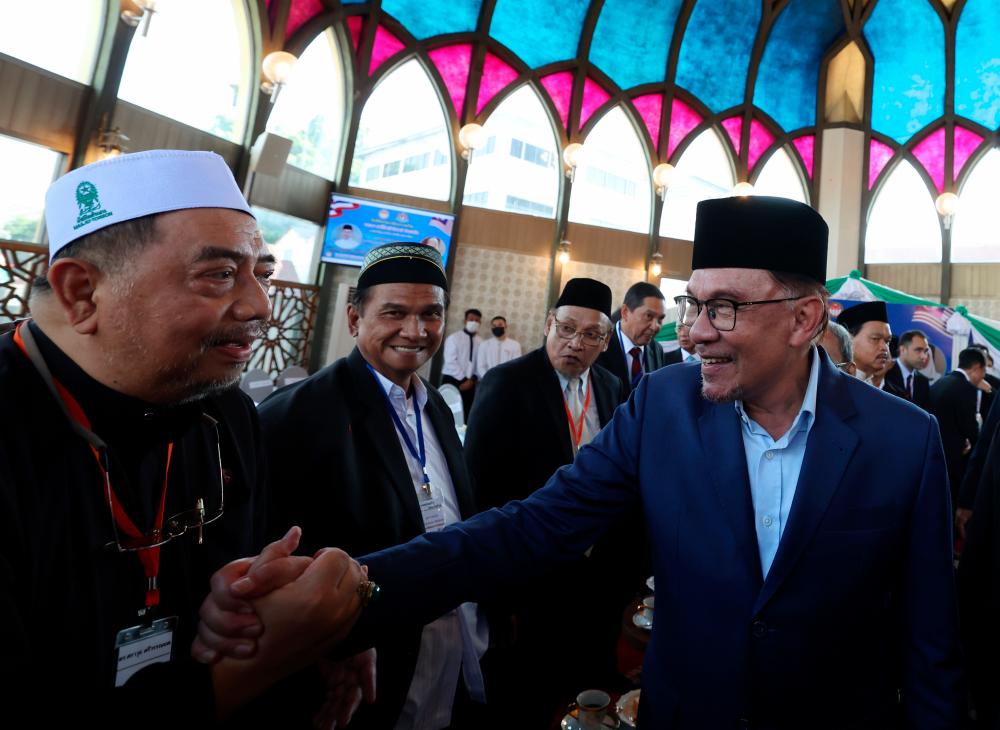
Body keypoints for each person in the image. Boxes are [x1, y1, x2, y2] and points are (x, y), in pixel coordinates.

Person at [205, 196, 964, 728]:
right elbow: (531, 527)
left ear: (804, 319)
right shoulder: (665, 407)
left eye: (724, 308)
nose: (694, 332)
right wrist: (360, 586)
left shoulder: (902, 440)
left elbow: (930, 641)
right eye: (692, 304)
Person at [0, 150, 364, 724]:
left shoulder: (228, 414)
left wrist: (257, 603)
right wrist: (253, 668)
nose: (260, 305)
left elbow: (251, 571)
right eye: (219, 274)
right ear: (81, 293)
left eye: (260, 274)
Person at [255, 243, 487, 729]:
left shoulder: (436, 407)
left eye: (431, 315)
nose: (416, 331)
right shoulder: (296, 417)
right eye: (395, 313)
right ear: (355, 318)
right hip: (363, 672)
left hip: (448, 650)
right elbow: (276, 559)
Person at [929, 347, 988, 505]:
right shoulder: (966, 388)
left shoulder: (940, 382)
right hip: (953, 460)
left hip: (932, 454)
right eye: (984, 371)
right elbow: (969, 428)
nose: (983, 377)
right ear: (976, 368)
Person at [597, 281, 668, 390]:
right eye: (649, 316)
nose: (655, 326)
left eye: (660, 319)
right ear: (625, 312)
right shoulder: (600, 345)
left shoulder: (657, 350)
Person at [836, 300, 907, 397]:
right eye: (875, 339)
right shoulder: (833, 387)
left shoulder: (892, 395)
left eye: (887, 341)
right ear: (848, 339)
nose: (884, 348)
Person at [440, 308, 481, 418]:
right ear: (465, 321)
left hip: (471, 383)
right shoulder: (454, 338)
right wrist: (463, 379)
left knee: (465, 413)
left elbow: (479, 363)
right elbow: (450, 361)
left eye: (477, 320)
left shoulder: (480, 341)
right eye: (471, 319)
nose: (474, 322)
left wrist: (472, 380)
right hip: (453, 379)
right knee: (447, 412)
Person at [884, 329, 931, 409]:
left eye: (926, 351)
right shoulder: (884, 373)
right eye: (918, 350)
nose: (924, 356)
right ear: (902, 350)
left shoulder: (923, 381)